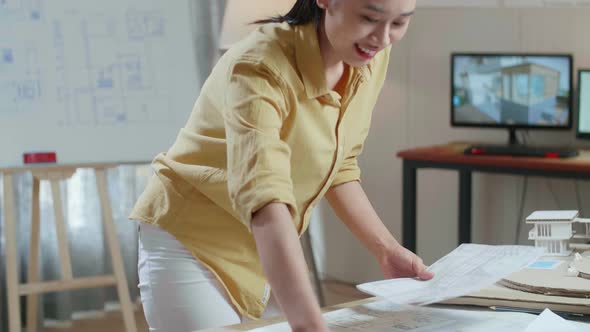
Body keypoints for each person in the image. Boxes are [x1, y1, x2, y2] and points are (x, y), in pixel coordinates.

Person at [130, 0, 433, 331]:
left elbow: (340, 166)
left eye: (399, 24)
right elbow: (265, 200)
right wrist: (308, 324)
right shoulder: (260, 67)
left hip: (262, 249)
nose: (383, 38)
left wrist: (387, 251)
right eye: (369, 18)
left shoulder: (366, 58)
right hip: (193, 240)